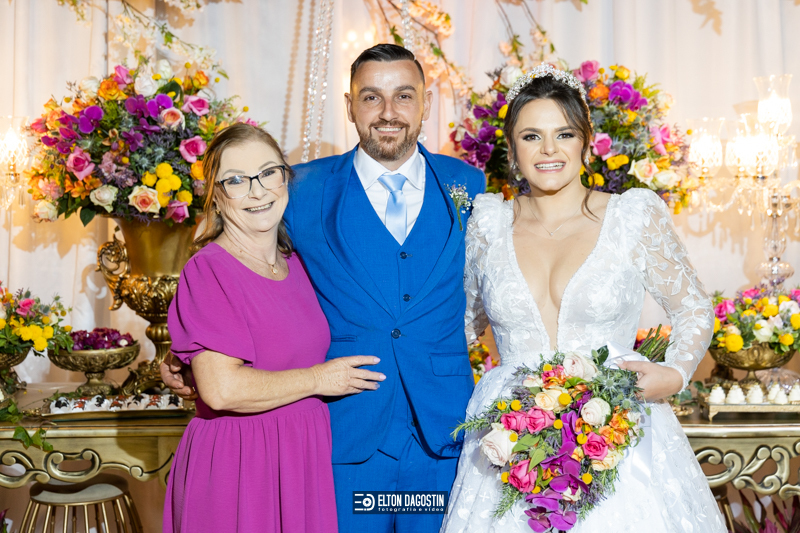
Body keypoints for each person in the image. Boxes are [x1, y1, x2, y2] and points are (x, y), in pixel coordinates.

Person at [163, 44, 485, 532]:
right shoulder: (300, 189)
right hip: (344, 437)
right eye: (371, 97)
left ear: (426, 103)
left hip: (444, 435)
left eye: (404, 95)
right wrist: (184, 355)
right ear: (350, 106)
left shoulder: (469, 185)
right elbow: (244, 267)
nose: (388, 112)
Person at [440, 65, 726, 532]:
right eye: (531, 136)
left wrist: (674, 374)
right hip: (508, 437)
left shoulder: (631, 217)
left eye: (564, 134)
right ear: (511, 148)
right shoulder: (488, 224)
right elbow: (460, 326)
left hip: (617, 431)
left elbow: (693, 307)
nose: (549, 150)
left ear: (586, 143)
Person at [163, 123, 384, 532]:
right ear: (215, 195)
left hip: (301, 459)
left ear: (285, 177)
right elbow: (222, 389)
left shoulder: (298, 264)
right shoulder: (209, 269)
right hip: (240, 466)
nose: (258, 191)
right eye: (236, 180)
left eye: (268, 172)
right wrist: (319, 379)